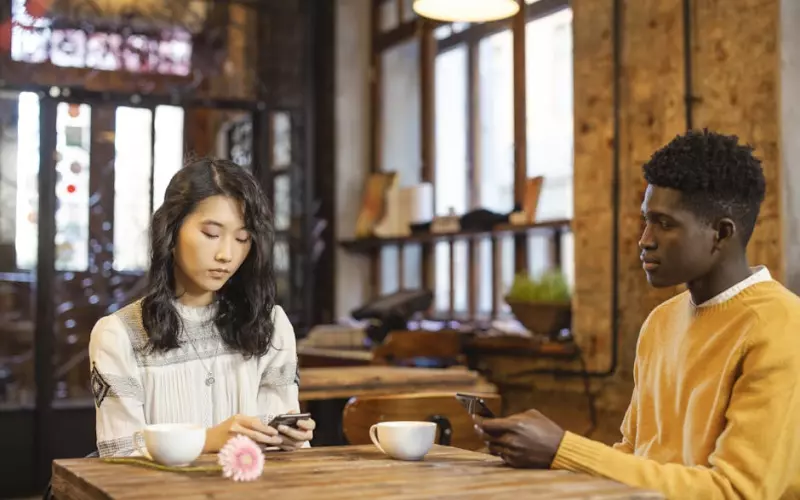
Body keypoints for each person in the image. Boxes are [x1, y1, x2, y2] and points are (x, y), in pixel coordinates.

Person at [474, 130, 800, 499]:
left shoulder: (781, 328)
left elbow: (737, 492)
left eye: (665, 223)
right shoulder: (661, 322)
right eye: (646, 219)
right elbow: (633, 457)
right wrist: (548, 458)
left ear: (721, 234)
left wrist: (562, 450)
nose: (645, 239)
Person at [89, 158, 315, 457]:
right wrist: (208, 441)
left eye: (242, 238)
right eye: (211, 234)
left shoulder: (269, 325)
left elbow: (283, 451)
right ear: (170, 232)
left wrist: (287, 439)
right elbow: (118, 455)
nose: (227, 254)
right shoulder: (120, 334)